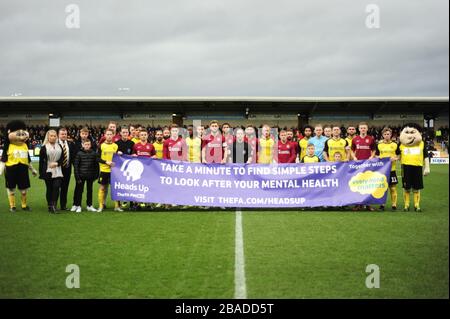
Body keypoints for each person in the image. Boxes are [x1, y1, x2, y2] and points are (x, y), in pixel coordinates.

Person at [0, 120, 38, 212]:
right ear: (9, 133)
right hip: (11, 170)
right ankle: (12, 206)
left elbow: (27, 160)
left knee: (24, 191)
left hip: (23, 170)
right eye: (18, 133)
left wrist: (32, 169)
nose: (21, 136)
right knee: (11, 189)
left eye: (23, 133)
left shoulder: (25, 146)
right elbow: (3, 160)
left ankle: (24, 205)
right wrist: (0, 171)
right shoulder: (8, 147)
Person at [351, 122, 376, 211]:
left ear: (367, 129)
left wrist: (371, 157)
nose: (363, 129)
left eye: (364, 128)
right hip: (358, 165)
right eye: (361, 128)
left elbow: (373, 150)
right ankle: (358, 204)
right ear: (359, 129)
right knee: (358, 184)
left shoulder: (371, 139)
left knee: (368, 184)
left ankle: (368, 204)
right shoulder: (355, 139)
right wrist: (354, 157)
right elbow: (352, 150)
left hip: (368, 165)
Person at [97, 129, 122, 212]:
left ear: (113, 135)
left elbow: (119, 159)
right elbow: (97, 158)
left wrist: (119, 154)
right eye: (107, 134)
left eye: (110, 134)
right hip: (104, 170)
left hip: (114, 171)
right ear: (105, 135)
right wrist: (106, 162)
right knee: (102, 188)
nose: (109, 136)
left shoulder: (116, 146)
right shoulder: (101, 146)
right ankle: (101, 206)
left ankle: (117, 206)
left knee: (115, 188)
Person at [375, 127, 400, 211]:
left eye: (388, 134)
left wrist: (395, 158)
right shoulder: (379, 145)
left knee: (392, 188)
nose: (386, 135)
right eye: (385, 134)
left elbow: (399, 155)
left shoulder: (395, 144)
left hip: (392, 169)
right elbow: (376, 155)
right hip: (382, 170)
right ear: (382, 135)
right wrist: (380, 158)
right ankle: (382, 204)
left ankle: (394, 204)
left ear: (391, 134)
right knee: (383, 188)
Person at [39, 129, 63, 213]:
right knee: (49, 189)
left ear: (56, 137)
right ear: (48, 137)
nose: (53, 137)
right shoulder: (43, 148)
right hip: (47, 171)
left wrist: (56, 163)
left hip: (58, 170)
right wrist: (41, 173)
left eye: (54, 136)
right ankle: (50, 205)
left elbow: (62, 159)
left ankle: (54, 206)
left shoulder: (59, 146)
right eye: (51, 136)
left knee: (56, 187)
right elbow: (41, 162)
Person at [72, 139, 99, 213]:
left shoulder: (94, 153)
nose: (87, 146)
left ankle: (89, 205)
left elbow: (96, 166)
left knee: (90, 191)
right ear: (82, 145)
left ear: (90, 145)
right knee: (80, 191)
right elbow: (76, 166)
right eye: (85, 144)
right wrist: (77, 177)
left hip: (90, 176)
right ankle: (78, 206)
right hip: (81, 176)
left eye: (88, 144)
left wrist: (96, 175)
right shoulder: (79, 153)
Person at [58, 127, 76, 211]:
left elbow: (73, 156)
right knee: (55, 187)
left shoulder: (70, 144)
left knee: (65, 188)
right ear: (58, 135)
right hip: (57, 169)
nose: (64, 135)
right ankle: (52, 204)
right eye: (62, 134)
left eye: (65, 134)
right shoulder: (55, 143)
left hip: (67, 169)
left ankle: (63, 205)